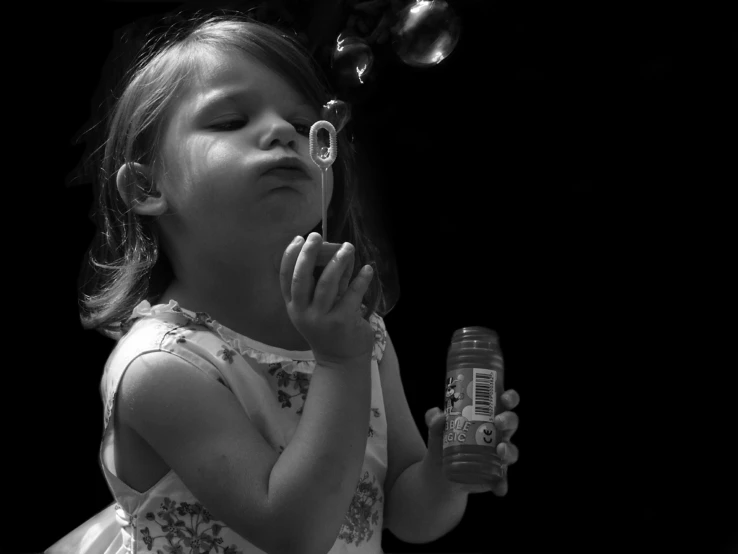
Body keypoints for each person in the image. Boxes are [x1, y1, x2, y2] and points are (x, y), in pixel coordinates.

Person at [49, 13, 521, 554]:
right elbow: (293, 534)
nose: (281, 133)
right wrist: (340, 362)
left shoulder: (360, 331)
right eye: (229, 121)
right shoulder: (161, 368)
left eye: (304, 127)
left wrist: (445, 472)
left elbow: (407, 513)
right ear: (147, 186)